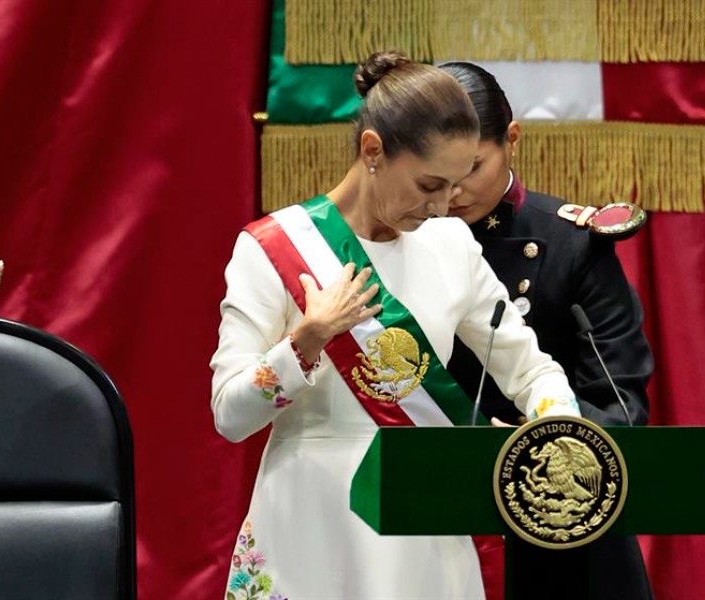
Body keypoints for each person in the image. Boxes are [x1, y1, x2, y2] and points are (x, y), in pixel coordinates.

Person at [210, 51, 582, 600]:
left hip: (422, 528)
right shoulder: (272, 249)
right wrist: (307, 340)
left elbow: (531, 372)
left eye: (454, 187)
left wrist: (556, 432)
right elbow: (230, 416)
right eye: (429, 184)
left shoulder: (451, 245)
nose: (442, 206)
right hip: (310, 523)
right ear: (373, 151)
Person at [440, 61, 655, 600]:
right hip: (437, 509)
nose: (454, 190)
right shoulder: (401, 243)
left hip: (559, 518)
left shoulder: (572, 241)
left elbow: (618, 397)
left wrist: (539, 448)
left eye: (471, 167)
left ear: (511, 140)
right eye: (437, 171)